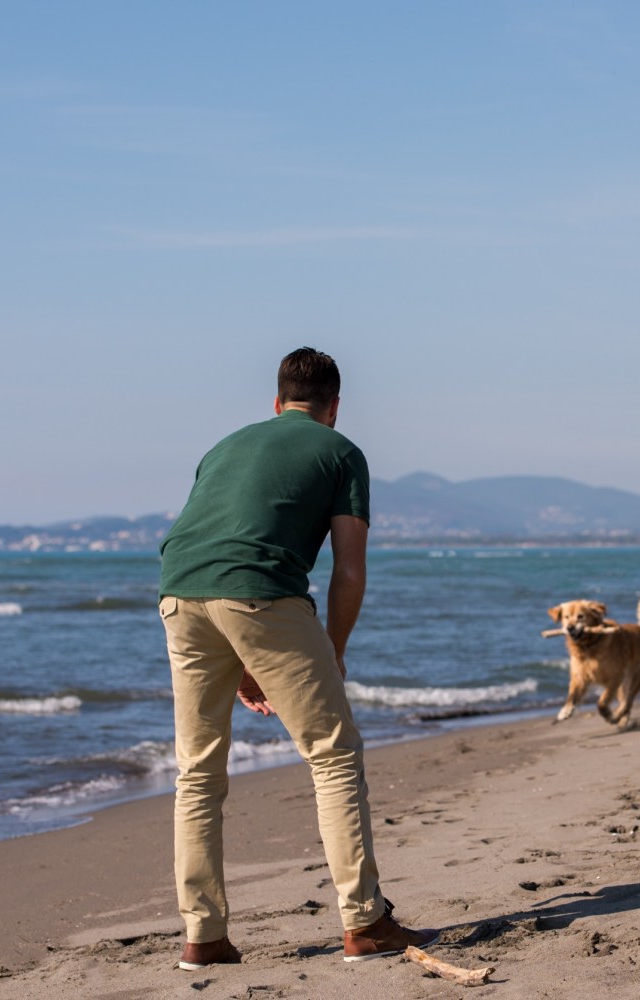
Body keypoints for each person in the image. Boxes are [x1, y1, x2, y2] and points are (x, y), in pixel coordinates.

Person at [157, 347, 437, 969]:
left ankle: (202, 937)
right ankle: (365, 923)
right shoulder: (341, 453)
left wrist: (248, 653)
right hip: (260, 595)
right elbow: (350, 570)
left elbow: (223, 540)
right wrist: (331, 650)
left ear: (277, 403)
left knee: (197, 772)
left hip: (179, 594)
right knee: (333, 755)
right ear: (334, 407)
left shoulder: (224, 446)